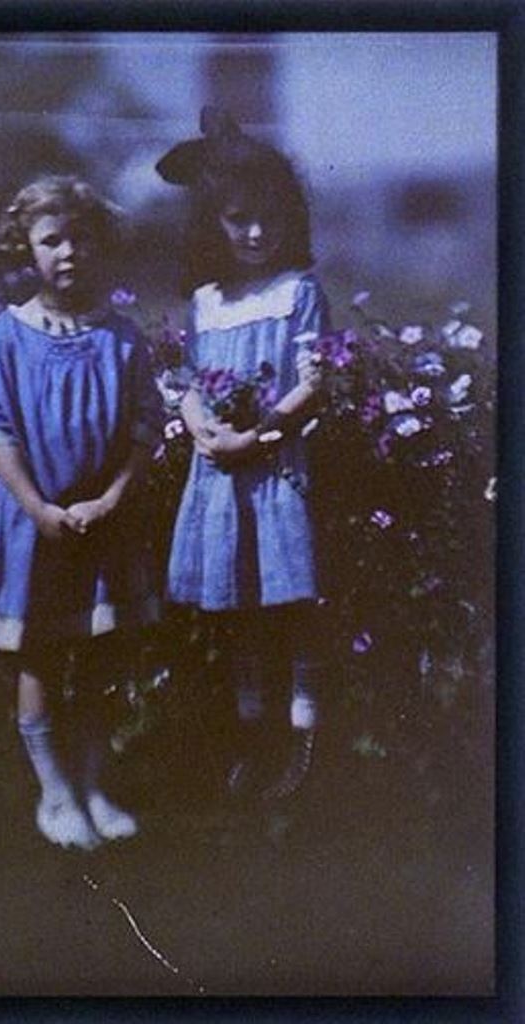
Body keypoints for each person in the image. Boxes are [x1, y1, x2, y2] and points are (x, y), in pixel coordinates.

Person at [0, 175, 162, 850]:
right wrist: (38, 508)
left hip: (106, 525)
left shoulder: (123, 340)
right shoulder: (5, 338)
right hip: (38, 528)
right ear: (25, 249)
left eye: (81, 237)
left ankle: (93, 785)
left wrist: (111, 498)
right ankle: (53, 793)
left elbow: (144, 431)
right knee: (42, 659)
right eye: (52, 240)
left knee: (104, 655)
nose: (69, 251)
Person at [156, 108, 330, 798]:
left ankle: (304, 735)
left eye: (268, 218)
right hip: (221, 474)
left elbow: (314, 383)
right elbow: (188, 382)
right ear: (213, 224)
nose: (256, 233)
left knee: (291, 599)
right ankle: (253, 732)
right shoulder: (207, 303)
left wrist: (256, 436)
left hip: (274, 468)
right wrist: (202, 427)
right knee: (242, 604)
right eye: (238, 219)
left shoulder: (297, 293)